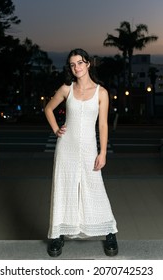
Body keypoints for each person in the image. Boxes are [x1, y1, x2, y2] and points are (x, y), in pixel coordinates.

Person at [45, 48, 118, 257]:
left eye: (80, 63)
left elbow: (103, 125)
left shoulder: (101, 92)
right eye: (72, 64)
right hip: (65, 148)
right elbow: (48, 109)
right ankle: (57, 235)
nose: (76, 67)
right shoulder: (66, 89)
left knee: (95, 187)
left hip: (89, 148)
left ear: (88, 64)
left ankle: (109, 231)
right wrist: (55, 129)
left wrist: (103, 152)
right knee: (63, 188)